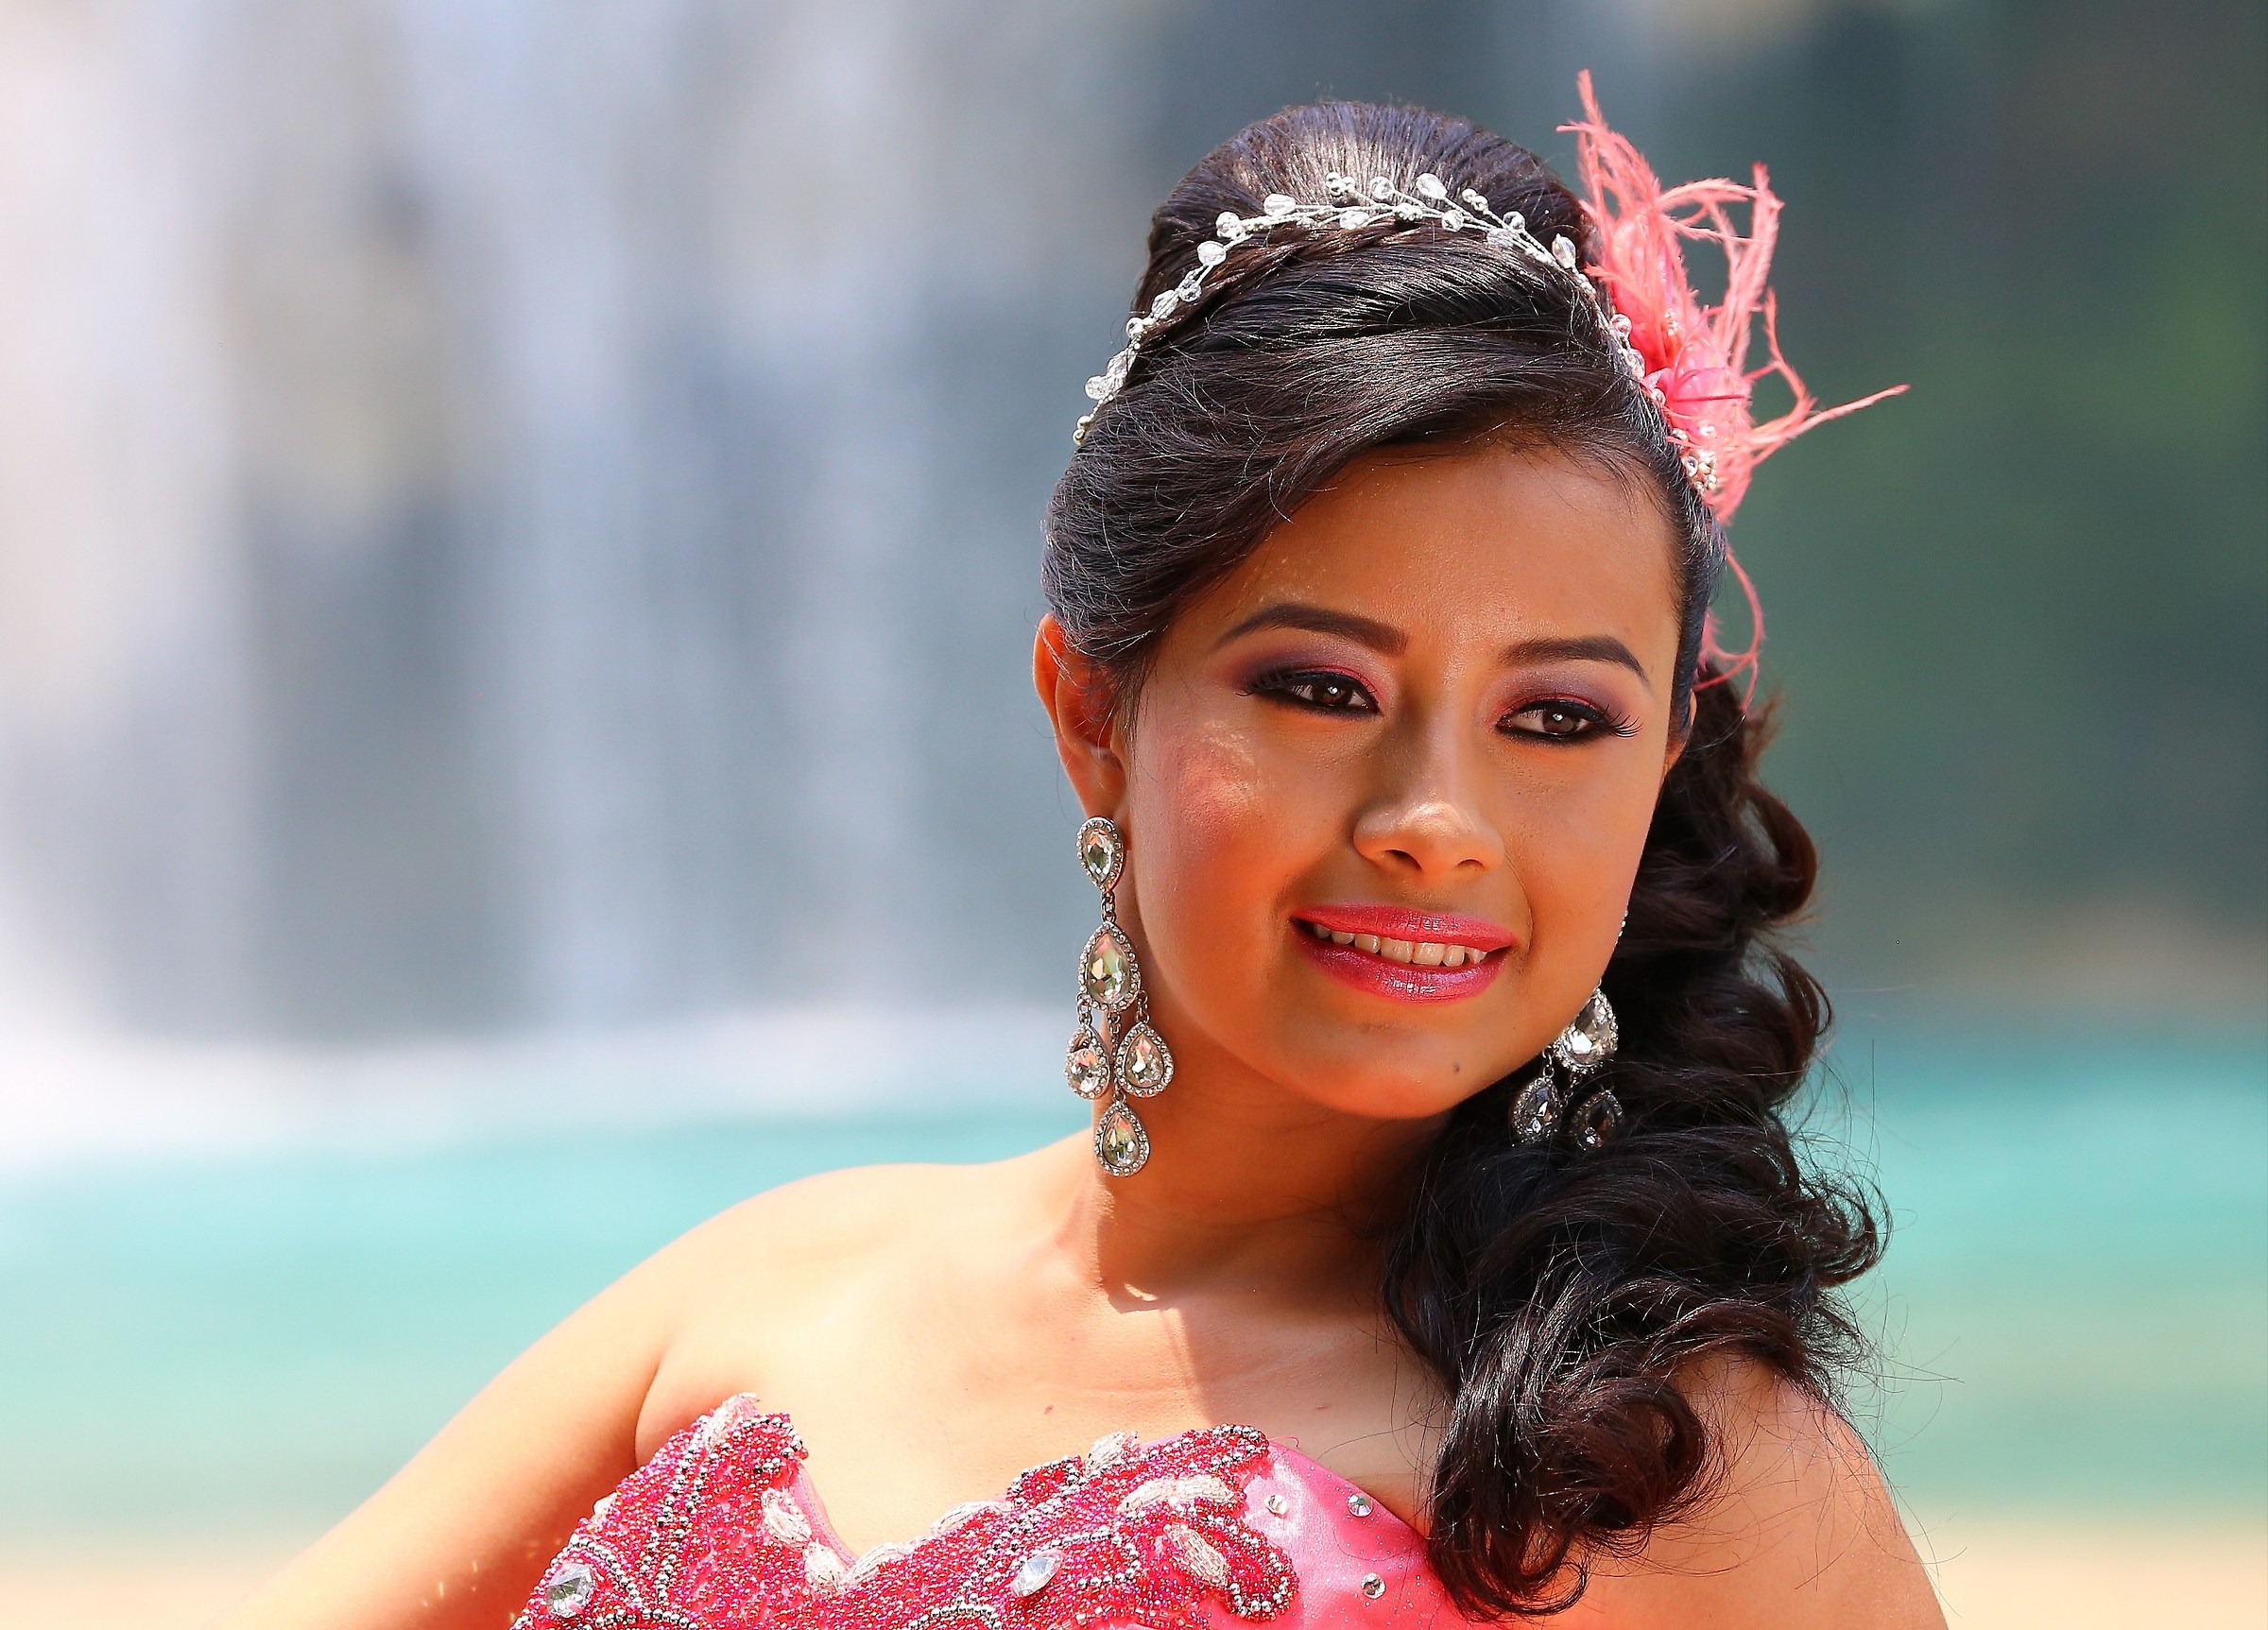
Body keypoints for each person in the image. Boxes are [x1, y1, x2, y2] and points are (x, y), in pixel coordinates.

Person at [224, 78, 1941, 1629]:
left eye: (1557, 718)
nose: (1436, 820)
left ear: (1656, 764)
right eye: (1321, 687)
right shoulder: (765, 1290)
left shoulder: (1666, 1471)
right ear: (1092, 710)